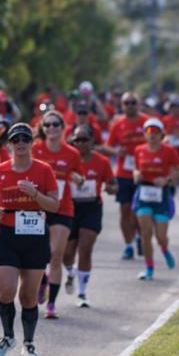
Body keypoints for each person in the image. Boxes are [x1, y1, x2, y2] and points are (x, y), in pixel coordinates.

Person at [0, 123, 60, 356]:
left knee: (28, 296)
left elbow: (54, 205)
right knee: (6, 290)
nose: (20, 143)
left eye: (25, 139)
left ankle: (29, 344)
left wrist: (34, 194)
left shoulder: (43, 170)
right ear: (8, 144)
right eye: (15, 139)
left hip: (35, 236)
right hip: (6, 235)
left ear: (32, 143)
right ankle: (7, 337)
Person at [31, 110, 82, 319]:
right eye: (48, 125)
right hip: (37, 208)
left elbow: (79, 175)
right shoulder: (35, 150)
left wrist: (79, 179)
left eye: (55, 125)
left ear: (63, 128)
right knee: (38, 255)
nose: (51, 128)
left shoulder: (72, 153)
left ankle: (51, 304)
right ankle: (42, 278)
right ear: (43, 129)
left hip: (62, 208)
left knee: (56, 255)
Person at [61, 125, 115, 308]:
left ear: (92, 141)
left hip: (92, 208)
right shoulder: (67, 159)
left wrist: (111, 188)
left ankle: (82, 292)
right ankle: (71, 272)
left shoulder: (102, 161)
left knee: (85, 248)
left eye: (84, 140)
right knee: (66, 254)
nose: (81, 143)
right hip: (70, 208)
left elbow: (113, 185)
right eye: (77, 140)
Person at [132, 118, 179, 280]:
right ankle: (149, 268)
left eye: (156, 131)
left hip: (161, 195)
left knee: (161, 236)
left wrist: (167, 180)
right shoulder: (139, 150)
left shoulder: (169, 151)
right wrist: (135, 175)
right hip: (144, 194)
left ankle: (164, 248)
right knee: (146, 233)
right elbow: (135, 168)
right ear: (144, 134)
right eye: (149, 131)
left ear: (162, 134)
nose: (152, 135)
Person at [102, 92, 148, 260]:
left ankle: (140, 238)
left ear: (138, 103)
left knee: (139, 211)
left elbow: (160, 140)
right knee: (125, 210)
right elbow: (107, 147)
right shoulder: (118, 124)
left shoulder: (146, 122)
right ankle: (128, 245)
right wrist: (116, 151)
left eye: (133, 102)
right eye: (126, 103)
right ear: (122, 106)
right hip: (124, 173)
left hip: (144, 173)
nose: (130, 105)